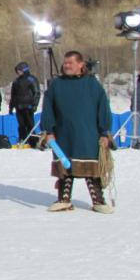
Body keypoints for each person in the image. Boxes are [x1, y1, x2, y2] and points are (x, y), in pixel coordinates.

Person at [41, 51, 113, 213]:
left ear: (81, 64)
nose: (66, 66)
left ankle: (98, 200)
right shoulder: (57, 84)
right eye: (65, 63)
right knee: (65, 165)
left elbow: (103, 107)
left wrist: (104, 132)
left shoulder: (92, 84)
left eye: (70, 63)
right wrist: (49, 130)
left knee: (90, 166)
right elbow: (48, 108)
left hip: (88, 133)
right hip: (63, 133)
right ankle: (64, 199)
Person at [9, 62, 41, 147]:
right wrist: (11, 107)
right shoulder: (16, 81)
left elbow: (37, 92)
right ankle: (22, 140)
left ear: (24, 69)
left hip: (29, 106)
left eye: (19, 70)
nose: (18, 72)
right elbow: (13, 95)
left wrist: (35, 105)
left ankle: (33, 142)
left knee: (30, 125)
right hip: (19, 106)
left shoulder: (32, 79)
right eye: (17, 71)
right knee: (21, 125)